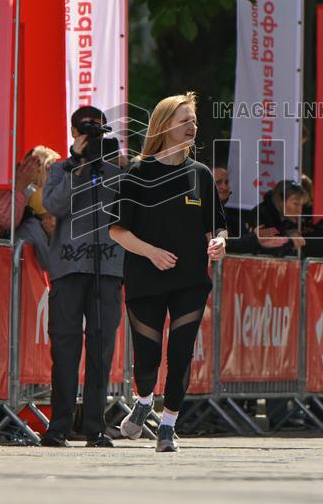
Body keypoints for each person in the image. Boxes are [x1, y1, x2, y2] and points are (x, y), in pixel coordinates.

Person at [110, 92, 227, 453]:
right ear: (164, 125)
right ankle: (143, 400)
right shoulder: (136, 172)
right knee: (147, 360)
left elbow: (218, 227)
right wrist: (152, 253)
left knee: (181, 354)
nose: (192, 126)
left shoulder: (201, 174)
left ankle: (168, 426)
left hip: (190, 280)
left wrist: (220, 244)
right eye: (184, 120)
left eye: (194, 120)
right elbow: (117, 230)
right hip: (145, 277)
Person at [39, 106, 124, 448]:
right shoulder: (60, 169)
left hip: (108, 268)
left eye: (98, 129)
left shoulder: (117, 171)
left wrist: (115, 166)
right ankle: (58, 426)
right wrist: (78, 165)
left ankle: (95, 427)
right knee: (65, 348)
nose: (92, 135)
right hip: (68, 268)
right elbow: (55, 206)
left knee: (101, 351)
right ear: (74, 132)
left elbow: (128, 209)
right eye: (86, 129)